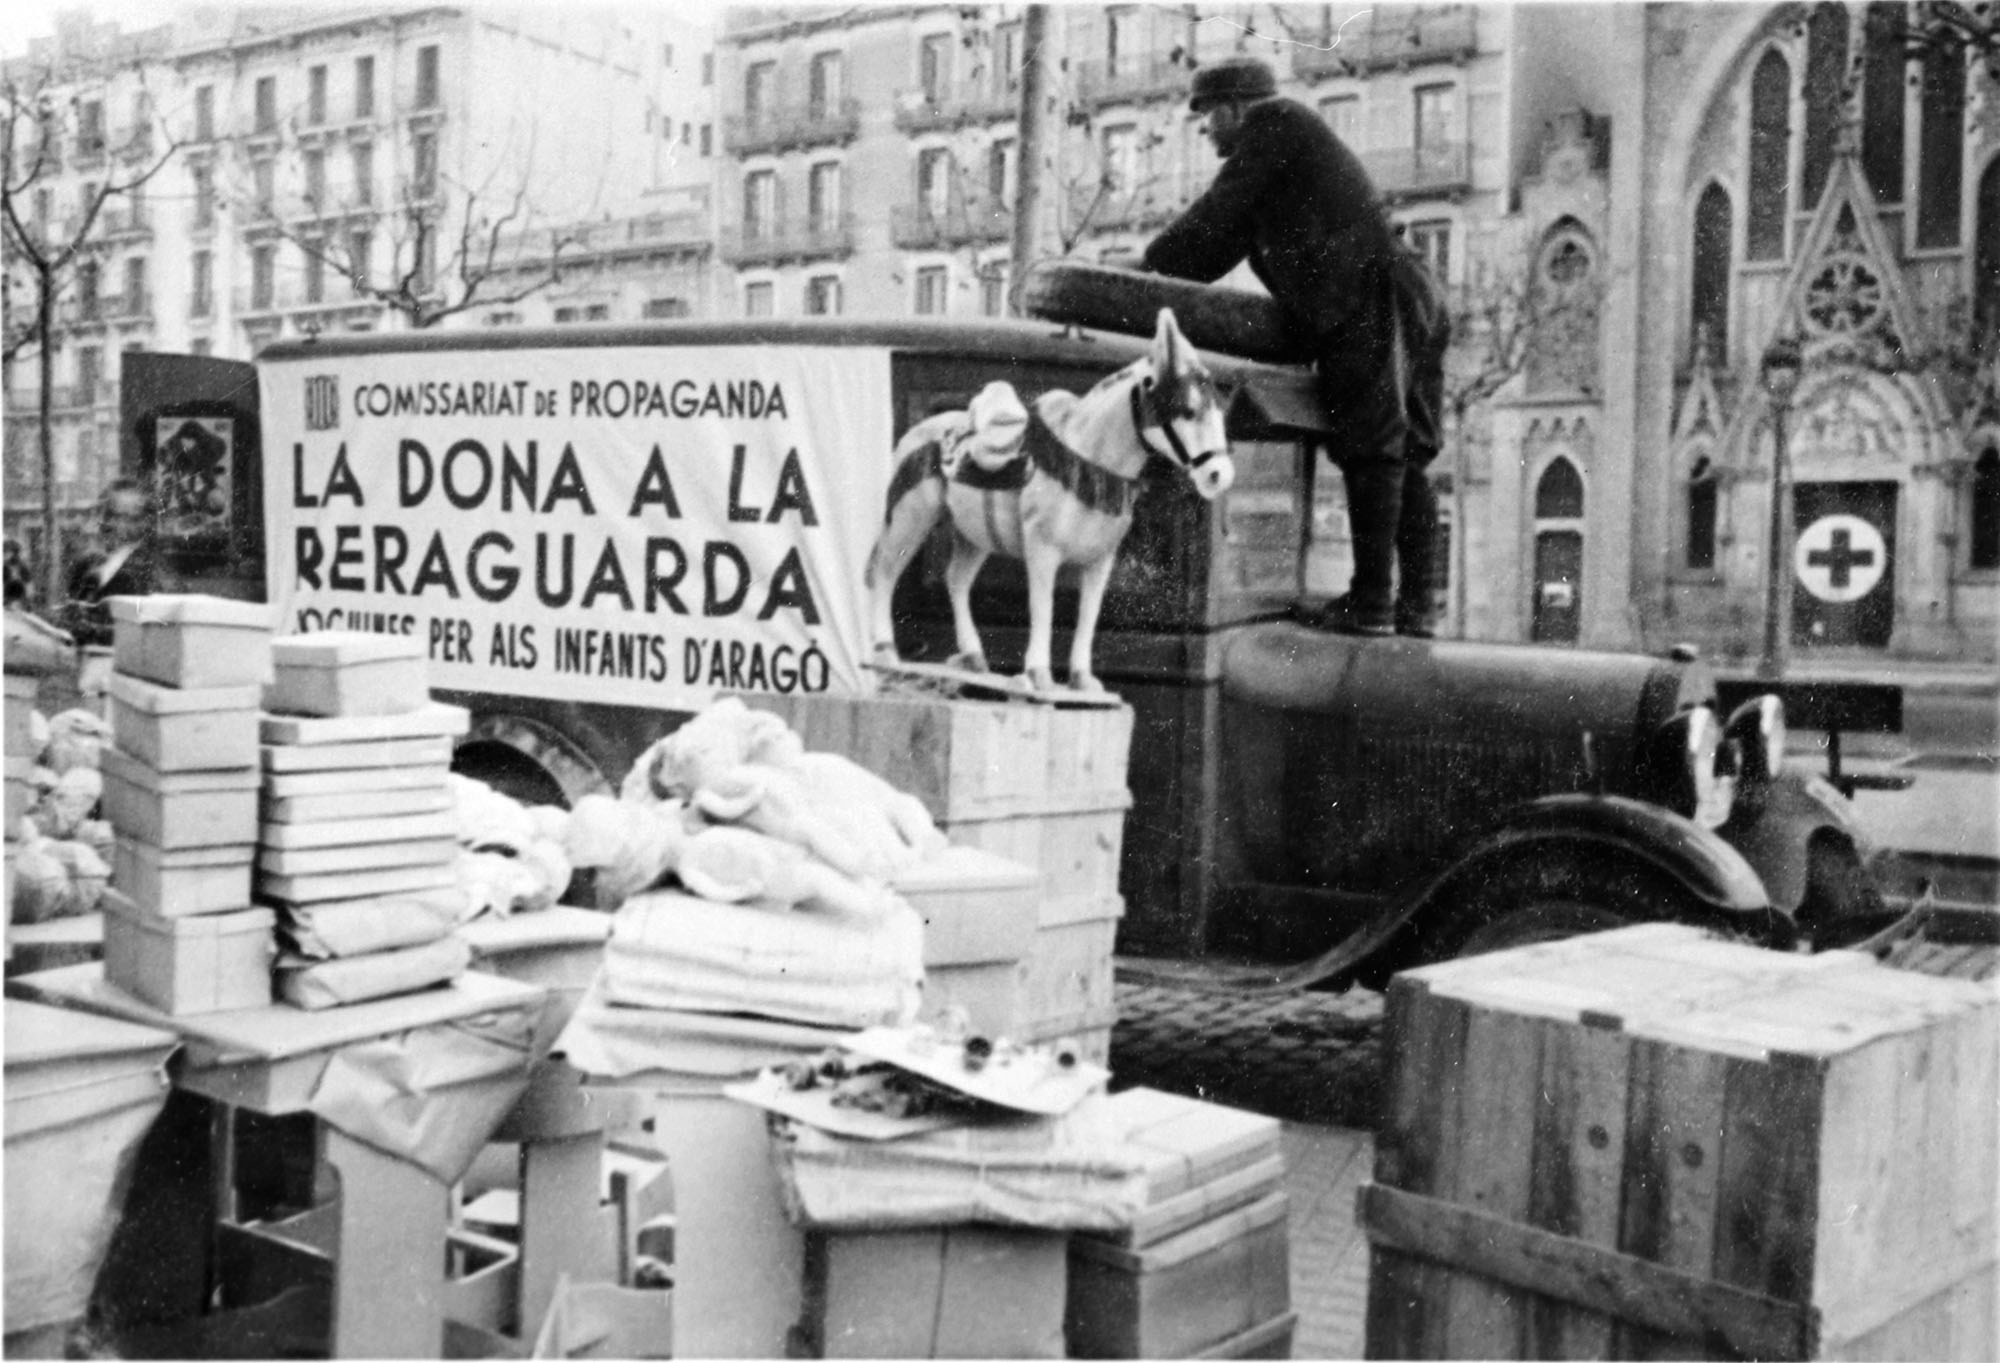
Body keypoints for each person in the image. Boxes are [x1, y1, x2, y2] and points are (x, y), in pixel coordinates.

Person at [1140, 55, 1421, 636]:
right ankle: (1413, 608)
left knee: (1375, 446)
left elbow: (1216, 215)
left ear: (1236, 108)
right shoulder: (1278, 159)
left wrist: (1144, 268)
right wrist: (1157, 276)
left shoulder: (1277, 126)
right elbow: (1214, 248)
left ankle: (1374, 605)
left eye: (1209, 115)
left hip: (1368, 294)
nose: (1206, 129)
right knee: (1398, 448)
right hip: (1378, 292)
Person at [60, 476, 168, 647]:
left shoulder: (153, 574)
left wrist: (93, 630)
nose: (116, 525)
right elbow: (68, 618)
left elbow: (152, 634)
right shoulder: (86, 564)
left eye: (130, 518)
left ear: (146, 523)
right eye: (110, 515)